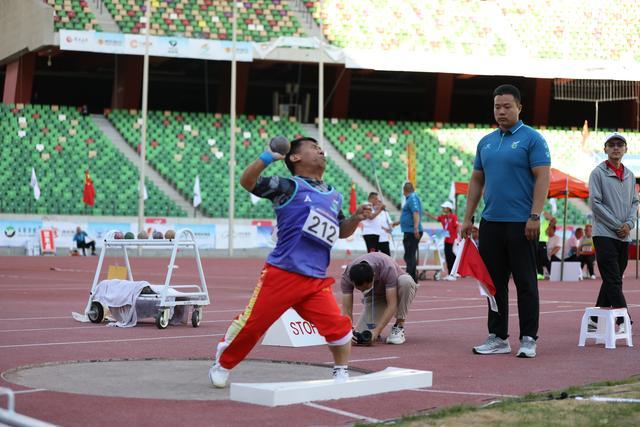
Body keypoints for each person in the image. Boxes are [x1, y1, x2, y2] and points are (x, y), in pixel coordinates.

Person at [209, 137, 372, 388]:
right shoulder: (288, 187)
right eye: (313, 147)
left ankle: (341, 371)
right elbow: (247, 182)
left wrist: (355, 217)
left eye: (320, 147)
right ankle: (223, 363)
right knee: (252, 326)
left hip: (316, 280)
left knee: (339, 329)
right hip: (283, 273)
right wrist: (267, 157)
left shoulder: (334, 196)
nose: (320, 150)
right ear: (295, 158)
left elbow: (341, 231)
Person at [460, 84, 550, 358]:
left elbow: (542, 177)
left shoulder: (532, 139)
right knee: (493, 284)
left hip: (521, 222)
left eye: (507, 106)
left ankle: (528, 338)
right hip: (491, 223)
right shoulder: (485, 142)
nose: (501, 111)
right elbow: (476, 181)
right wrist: (467, 218)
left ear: (519, 107)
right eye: (497, 107)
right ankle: (498, 336)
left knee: (525, 282)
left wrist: (535, 215)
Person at [588, 132, 637, 332]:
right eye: (612, 144)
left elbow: (635, 202)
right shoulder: (597, 173)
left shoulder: (630, 175)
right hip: (604, 233)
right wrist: (618, 224)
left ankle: (593, 320)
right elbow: (595, 203)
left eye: (620, 144)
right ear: (605, 149)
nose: (616, 147)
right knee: (614, 278)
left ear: (625, 149)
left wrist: (629, 224)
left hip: (624, 234)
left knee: (612, 278)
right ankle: (623, 320)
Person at [340, 252, 418, 345]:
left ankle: (399, 325)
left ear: (374, 275)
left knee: (406, 282)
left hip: (395, 290)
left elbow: (392, 305)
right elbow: (347, 309)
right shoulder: (346, 277)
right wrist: (348, 332)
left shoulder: (387, 267)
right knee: (361, 338)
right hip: (375, 297)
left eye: (366, 288)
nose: (363, 291)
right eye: (360, 289)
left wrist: (376, 331)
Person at [392, 182, 423, 282]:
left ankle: (411, 278)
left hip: (411, 231)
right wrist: (398, 222)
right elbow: (410, 214)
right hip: (409, 230)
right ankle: (412, 277)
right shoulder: (411, 198)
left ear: (404, 191)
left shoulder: (412, 198)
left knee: (409, 255)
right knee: (409, 255)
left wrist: (415, 228)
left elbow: (416, 212)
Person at [426, 201, 458, 280]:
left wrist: (458, 238)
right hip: (446, 240)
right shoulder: (443, 217)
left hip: (453, 240)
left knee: (451, 256)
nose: (443, 208)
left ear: (449, 208)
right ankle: (451, 273)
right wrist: (428, 214)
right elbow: (436, 218)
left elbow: (457, 227)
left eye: (444, 207)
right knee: (448, 256)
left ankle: (453, 274)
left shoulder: (453, 217)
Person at [361, 192, 392, 256]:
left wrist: (380, 208)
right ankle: (372, 265)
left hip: (375, 233)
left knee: (376, 253)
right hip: (370, 233)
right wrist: (380, 209)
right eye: (376, 199)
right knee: (372, 253)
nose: (377, 201)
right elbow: (371, 217)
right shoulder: (366, 205)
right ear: (371, 199)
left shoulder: (373, 207)